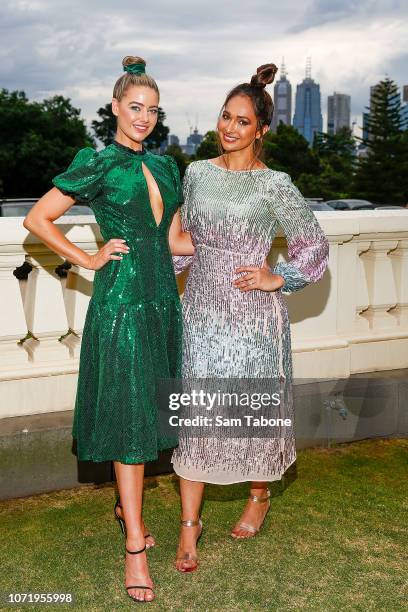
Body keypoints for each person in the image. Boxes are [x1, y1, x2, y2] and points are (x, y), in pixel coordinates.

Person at [23, 55, 194, 603]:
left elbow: (171, 241)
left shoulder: (168, 169)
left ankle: (129, 509)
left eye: (153, 110)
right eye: (135, 107)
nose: (143, 118)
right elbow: (37, 218)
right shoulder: (97, 164)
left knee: (152, 411)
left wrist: (237, 241)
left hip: (162, 302)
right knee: (128, 417)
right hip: (120, 304)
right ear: (116, 108)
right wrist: (89, 258)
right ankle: (136, 548)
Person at [171, 63, 329, 572]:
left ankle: (258, 494)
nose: (229, 127)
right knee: (198, 416)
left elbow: (315, 248)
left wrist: (276, 278)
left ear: (261, 130)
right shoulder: (196, 173)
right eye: (225, 117)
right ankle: (189, 527)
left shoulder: (275, 185)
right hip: (201, 312)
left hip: (253, 320)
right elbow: (182, 243)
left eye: (242, 121)